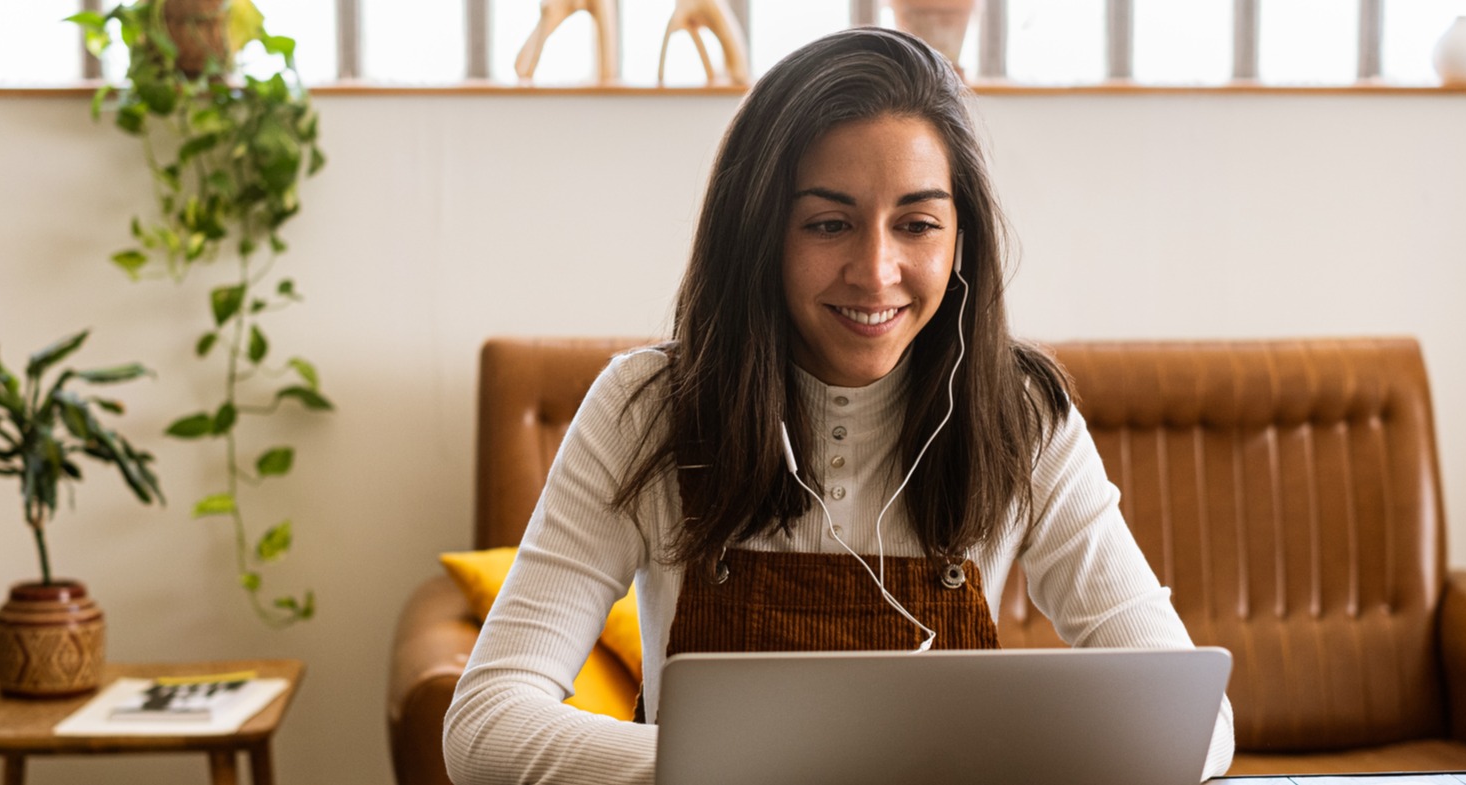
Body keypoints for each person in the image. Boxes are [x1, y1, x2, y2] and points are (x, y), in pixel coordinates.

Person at [444, 27, 1235, 785]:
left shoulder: (1021, 415)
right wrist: (730, 772)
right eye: (829, 223)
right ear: (759, 233)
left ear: (961, 238)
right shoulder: (644, 409)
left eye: (916, 224)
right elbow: (484, 723)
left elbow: (1200, 724)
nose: (876, 270)